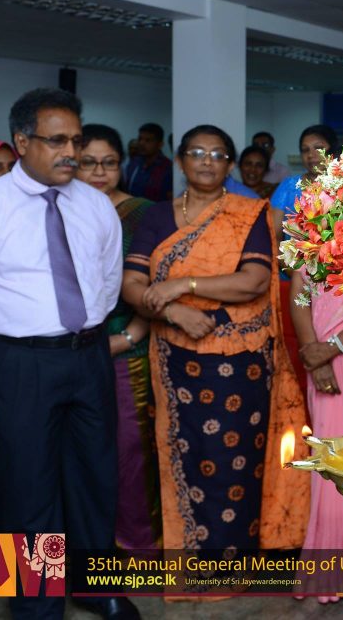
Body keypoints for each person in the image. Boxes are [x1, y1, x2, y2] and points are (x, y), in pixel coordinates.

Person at [0, 88, 137, 619]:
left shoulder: (94, 204)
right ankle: (35, 605)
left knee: (94, 476)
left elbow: (107, 282)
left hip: (88, 356)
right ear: (22, 141)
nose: (71, 153)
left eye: (76, 141)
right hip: (19, 362)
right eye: (57, 141)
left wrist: (86, 332)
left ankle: (95, 586)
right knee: (27, 485)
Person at [121, 124, 309, 554]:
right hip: (175, 361)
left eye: (218, 154)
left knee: (236, 466)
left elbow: (253, 281)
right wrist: (174, 312)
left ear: (229, 165)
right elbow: (132, 284)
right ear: (180, 160)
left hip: (240, 365)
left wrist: (181, 285)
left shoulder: (249, 213)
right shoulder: (156, 216)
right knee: (184, 456)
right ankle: (193, 557)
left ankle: (234, 564)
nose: (207, 161)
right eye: (197, 152)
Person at [76, 123, 161, 551]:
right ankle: (38, 578)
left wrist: (130, 335)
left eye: (108, 163)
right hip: (43, 356)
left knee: (130, 449)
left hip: (122, 345)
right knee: (41, 465)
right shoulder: (40, 209)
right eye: (88, 162)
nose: (98, 172)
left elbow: (155, 280)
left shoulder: (142, 213)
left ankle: (133, 551)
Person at [291, 274, 343, 603]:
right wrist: (313, 352)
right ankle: (335, 570)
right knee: (330, 459)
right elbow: (300, 294)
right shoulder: (308, 241)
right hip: (319, 352)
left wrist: (331, 348)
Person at [270, 124, 339, 379]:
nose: (311, 155)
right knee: (295, 349)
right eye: (305, 150)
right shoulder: (289, 186)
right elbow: (273, 236)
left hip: (337, 282)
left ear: (333, 150)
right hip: (292, 278)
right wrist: (294, 271)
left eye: (318, 148)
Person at [123, 122, 173, 201]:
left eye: (148, 140)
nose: (142, 143)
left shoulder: (168, 167)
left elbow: (170, 199)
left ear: (160, 144)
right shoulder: (134, 163)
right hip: (131, 207)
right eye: (140, 139)